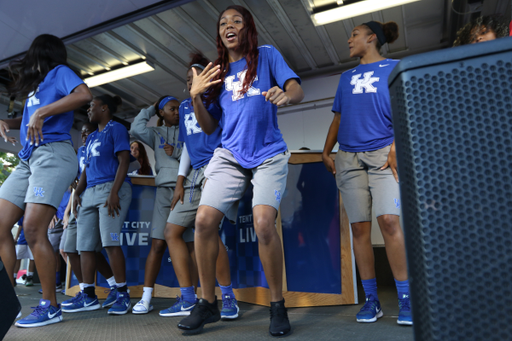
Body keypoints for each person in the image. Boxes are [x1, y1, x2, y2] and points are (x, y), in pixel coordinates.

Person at [177, 6, 304, 336]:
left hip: (268, 154)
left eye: (236, 21)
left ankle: (277, 305)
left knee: (263, 224)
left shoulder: (266, 55)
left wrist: (285, 95)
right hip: (230, 154)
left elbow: (296, 89)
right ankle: (207, 303)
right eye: (223, 22)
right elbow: (208, 128)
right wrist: (195, 98)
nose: (228, 26)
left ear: (248, 28)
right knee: (203, 221)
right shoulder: (216, 71)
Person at [321, 20, 412, 326]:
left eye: (355, 35)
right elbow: (338, 118)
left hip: (384, 154)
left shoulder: (396, 67)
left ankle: (406, 298)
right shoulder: (346, 78)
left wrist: (397, 147)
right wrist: (325, 150)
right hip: (348, 157)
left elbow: (408, 109)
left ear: (372, 38)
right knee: (359, 229)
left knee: (388, 221)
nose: (349, 40)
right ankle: (372, 300)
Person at [0, 34, 92, 327]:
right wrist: (8, 122)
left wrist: (42, 111)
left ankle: (50, 305)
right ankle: (6, 299)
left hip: (55, 154)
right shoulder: (36, 88)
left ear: (42, 53)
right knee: (1, 223)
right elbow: (30, 118)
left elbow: (84, 95)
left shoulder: (59, 74)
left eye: (32, 54)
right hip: (28, 158)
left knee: (32, 227)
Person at [160, 54, 238, 320]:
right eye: (187, 78)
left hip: (217, 165)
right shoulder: (183, 107)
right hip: (193, 173)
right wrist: (180, 181)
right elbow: (187, 148)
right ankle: (188, 298)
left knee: (210, 232)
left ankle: (227, 297)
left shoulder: (219, 97)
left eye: (196, 75)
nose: (190, 80)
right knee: (172, 231)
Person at [67, 94, 132, 315]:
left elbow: (124, 161)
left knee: (110, 243)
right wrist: (77, 192)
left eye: (92, 106)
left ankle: (123, 294)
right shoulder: (92, 136)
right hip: (90, 192)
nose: (88, 110)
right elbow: (86, 169)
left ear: (104, 108)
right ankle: (88, 296)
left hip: (110, 189)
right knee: (84, 246)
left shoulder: (117, 129)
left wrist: (114, 192)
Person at [129, 95, 187, 314]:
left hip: (187, 190)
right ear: (161, 113)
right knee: (158, 244)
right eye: (172, 109)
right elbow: (135, 128)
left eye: (179, 109)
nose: (177, 112)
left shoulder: (188, 130)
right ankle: (146, 297)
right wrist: (152, 107)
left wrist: (179, 151)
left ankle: (188, 296)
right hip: (164, 191)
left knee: (190, 245)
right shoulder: (156, 134)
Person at [60, 121, 119, 310]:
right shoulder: (79, 153)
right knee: (70, 249)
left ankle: (111, 288)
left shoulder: (103, 147)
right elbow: (75, 184)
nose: (84, 136)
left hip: (97, 196)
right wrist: (67, 211)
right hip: (79, 202)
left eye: (88, 133)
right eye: (83, 134)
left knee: (91, 248)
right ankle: (85, 290)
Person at [13, 217, 35, 287]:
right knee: (17, 258)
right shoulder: (21, 215)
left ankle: (30, 277)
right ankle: (14, 277)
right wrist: (16, 238)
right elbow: (20, 226)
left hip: (32, 239)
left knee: (32, 258)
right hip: (22, 239)